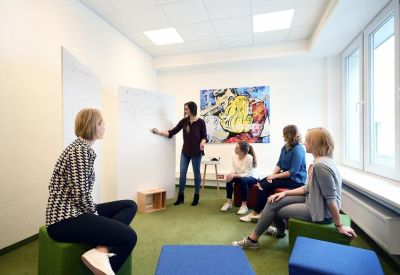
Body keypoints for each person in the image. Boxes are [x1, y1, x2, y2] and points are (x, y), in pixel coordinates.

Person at [232, 127, 357, 249]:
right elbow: (308, 188)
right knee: (274, 200)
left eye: (307, 140)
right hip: (313, 200)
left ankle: (253, 239)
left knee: (275, 209)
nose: (303, 142)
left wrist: (339, 225)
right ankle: (274, 233)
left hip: (321, 212)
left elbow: (331, 199)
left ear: (314, 143)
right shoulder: (322, 161)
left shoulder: (321, 166)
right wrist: (284, 194)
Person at [46, 108, 137, 275]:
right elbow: (81, 194)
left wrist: (95, 216)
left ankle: (101, 250)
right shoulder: (79, 151)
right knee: (129, 237)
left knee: (130, 206)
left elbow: (80, 195)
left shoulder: (82, 149)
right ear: (95, 126)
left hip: (76, 212)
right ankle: (104, 269)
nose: (105, 126)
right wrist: (95, 215)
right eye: (102, 122)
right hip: (64, 221)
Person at [240, 125, 307, 223]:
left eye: (284, 134)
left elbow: (292, 172)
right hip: (286, 175)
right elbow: (279, 164)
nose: (283, 136)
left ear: (289, 134)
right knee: (261, 181)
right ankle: (262, 210)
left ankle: (255, 213)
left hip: (296, 179)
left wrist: (274, 177)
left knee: (263, 185)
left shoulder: (298, 149)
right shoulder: (285, 147)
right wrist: (271, 176)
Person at [152, 101, 207, 206]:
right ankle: (180, 196)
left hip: (196, 152)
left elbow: (205, 136)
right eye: (184, 109)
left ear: (192, 109)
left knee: (196, 173)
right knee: (182, 173)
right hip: (185, 152)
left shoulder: (201, 122)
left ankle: (196, 196)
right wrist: (159, 132)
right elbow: (172, 132)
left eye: (187, 109)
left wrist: (202, 142)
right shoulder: (184, 121)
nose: (185, 111)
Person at [220, 140, 258, 215]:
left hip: (252, 177)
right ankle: (229, 202)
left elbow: (248, 174)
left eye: (237, 148)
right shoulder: (234, 156)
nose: (235, 149)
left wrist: (234, 175)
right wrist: (231, 174)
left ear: (242, 151)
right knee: (229, 178)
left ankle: (244, 205)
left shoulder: (249, 157)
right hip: (241, 176)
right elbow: (234, 170)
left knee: (244, 180)